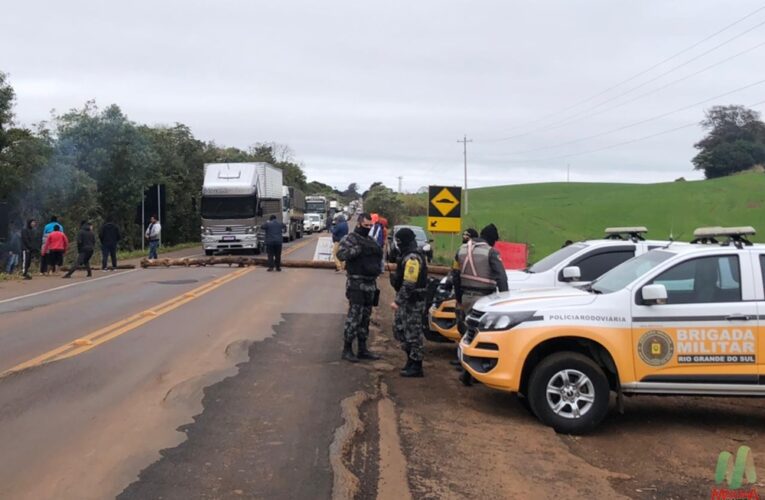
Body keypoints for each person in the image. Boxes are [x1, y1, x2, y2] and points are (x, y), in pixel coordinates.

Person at [453, 223, 509, 385]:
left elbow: (455, 275)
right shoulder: (491, 252)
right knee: (481, 336)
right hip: (484, 300)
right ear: (492, 239)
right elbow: (501, 277)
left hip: (465, 297)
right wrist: (505, 298)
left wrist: (458, 298)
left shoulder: (461, 250)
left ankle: (465, 371)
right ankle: (475, 372)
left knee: (466, 335)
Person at [337, 212, 383, 363]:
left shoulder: (371, 241)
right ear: (358, 224)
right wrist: (357, 250)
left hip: (370, 284)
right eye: (366, 225)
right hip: (356, 283)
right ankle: (347, 348)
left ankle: (363, 348)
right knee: (354, 317)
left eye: (370, 226)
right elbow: (341, 255)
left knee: (365, 318)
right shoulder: (350, 239)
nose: (368, 228)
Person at [390, 227, 428, 377]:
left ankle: (416, 365)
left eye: (399, 242)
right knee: (400, 330)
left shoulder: (412, 258)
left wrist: (397, 301)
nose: (398, 245)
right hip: (407, 301)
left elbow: (409, 283)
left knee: (413, 333)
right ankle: (410, 360)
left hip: (413, 301)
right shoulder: (406, 255)